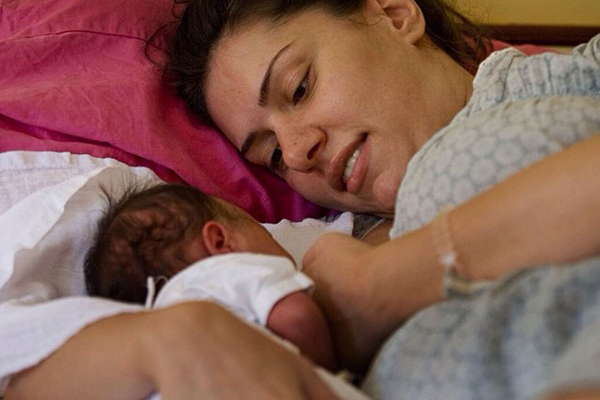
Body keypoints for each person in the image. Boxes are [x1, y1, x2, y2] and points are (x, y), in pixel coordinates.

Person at [6, 0, 600, 398]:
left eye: (299, 87)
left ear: (394, 14)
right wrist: (167, 339)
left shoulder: (568, 77)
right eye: (269, 154)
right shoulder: (317, 256)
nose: (296, 151)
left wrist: (397, 278)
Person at [83, 183, 337, 370]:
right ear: (219, 240)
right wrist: (331, 372)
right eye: (263, 231)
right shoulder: (232, 271)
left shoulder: (159, 328)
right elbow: (296, 317)